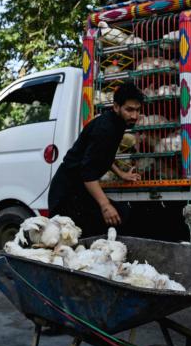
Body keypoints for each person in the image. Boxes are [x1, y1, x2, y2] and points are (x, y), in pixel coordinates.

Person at [48, 82, 144, 238]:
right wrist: (105, 205)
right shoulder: (106, 128)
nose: (134, 116)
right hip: (66, 194)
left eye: (137, 110)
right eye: (129, 110)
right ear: (116, 107)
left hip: (79, 191)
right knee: (114, 220)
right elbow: (88, 172)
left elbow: (103, 156)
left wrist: (121, 174)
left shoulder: (118, 123)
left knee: (121, 215)